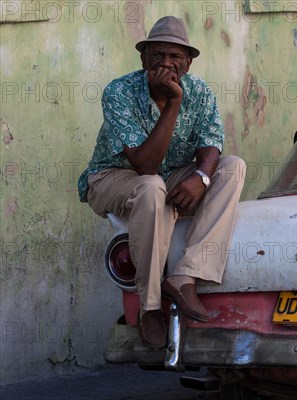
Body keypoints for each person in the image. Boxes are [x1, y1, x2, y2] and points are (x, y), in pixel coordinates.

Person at [77, 16, 245, 348]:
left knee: (232, 167)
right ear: (143, 59)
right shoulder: (119, 92)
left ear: (188, 61)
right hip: (112, 178)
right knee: (152, 185)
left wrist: (201, 177)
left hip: (168, 177)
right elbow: (145, 164)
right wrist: (174, 103)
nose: (166, 63)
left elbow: (211, 142)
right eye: (157, 55)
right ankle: (150, 305)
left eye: (175, 57)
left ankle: (185, 276)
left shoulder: (200, 90)